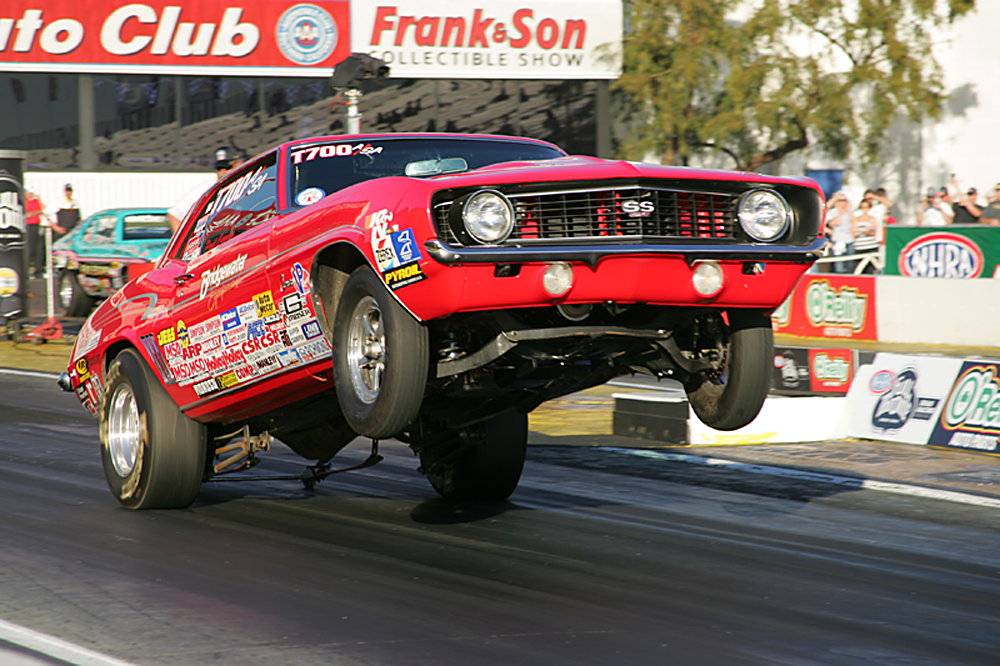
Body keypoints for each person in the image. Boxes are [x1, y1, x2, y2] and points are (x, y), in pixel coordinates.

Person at [167, 147, 242, 233]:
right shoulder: (204, 190)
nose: (222, 171)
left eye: (227, 167)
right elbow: (174, 214)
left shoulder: (250, 183)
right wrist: (184, 243)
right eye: (219, 168)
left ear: (239, 164)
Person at [825, 192, 855, 274]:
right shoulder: (833, 212)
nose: (843, 202)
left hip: (850, 240)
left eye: (844, 200)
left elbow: (855, 222)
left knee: (850, 264)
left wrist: (847, 210)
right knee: (839, 265)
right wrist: (839, 212)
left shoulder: (851, 211)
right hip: (838, 240)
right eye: (840, 200)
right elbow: (834, 223)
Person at [23, 190, 47, 278]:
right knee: (30, 248)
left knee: (39, 249)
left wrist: (39, 199)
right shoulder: (24, 201)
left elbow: (44, 209)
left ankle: (39, 270)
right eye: (30, 192)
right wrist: (38, 212)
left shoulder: (35, 201)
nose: (31, 194)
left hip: (38, 225)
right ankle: (25, 269)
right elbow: (27, 214)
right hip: (29, 226)